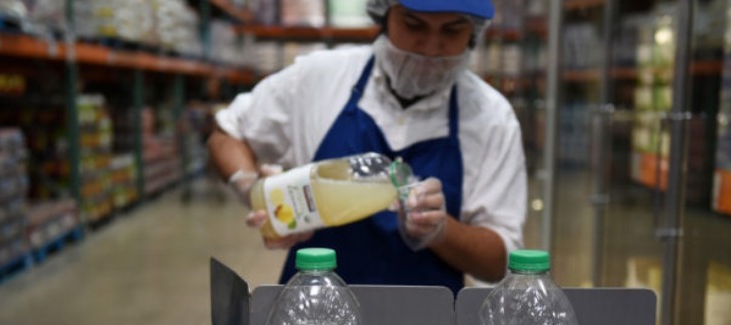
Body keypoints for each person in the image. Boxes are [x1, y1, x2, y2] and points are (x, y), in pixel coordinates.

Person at [208, 0, 526, 293]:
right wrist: (251, 188)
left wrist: (441, 232)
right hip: (310, 318)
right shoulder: (320, 78)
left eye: (452, 30)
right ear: (384, 14)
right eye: (414, 25)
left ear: (473, 34)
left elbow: (501, 262)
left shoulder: (491, 118)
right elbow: (227, 133)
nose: (430, 47)